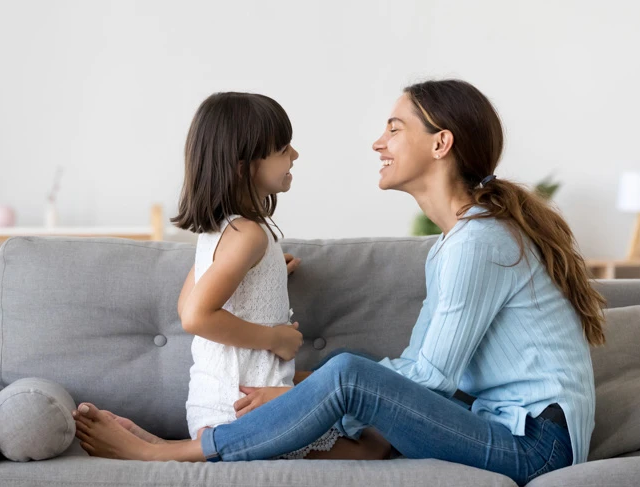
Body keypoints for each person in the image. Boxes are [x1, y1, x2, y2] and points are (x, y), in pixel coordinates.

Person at [73, 80, 605, 485]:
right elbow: (422, 367)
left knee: (346, 373)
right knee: (347, 386)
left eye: (395, 128)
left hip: (535, 446)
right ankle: (206, 440)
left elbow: (429, 378)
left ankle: (172, 451)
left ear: (441, 143)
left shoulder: (478, 242)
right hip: (503, 424)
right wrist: (301, 389)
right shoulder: (456, 243)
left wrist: (305, 389)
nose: (379, 142)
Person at [75, 91, 389, 461]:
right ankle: (167, 453)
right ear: (243, 167)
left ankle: (167, 445)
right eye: (283, 148)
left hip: (220, 404)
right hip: (245, 410)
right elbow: (195, 316)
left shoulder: (222, 233)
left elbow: (186, 305)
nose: (295, 155)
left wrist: (266, 275)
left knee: (357, 405)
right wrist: (275, 338)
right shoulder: (249, 236)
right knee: (375, 445)